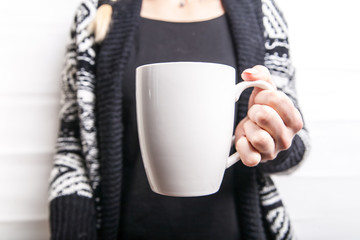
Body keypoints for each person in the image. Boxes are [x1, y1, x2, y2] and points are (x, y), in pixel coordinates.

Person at [49, 0, 310, 239]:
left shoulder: (260, 12)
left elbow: (297, 142)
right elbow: (72, 150)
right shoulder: (94, 13)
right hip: (126, 229)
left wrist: (273, 137)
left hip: (236, 229)